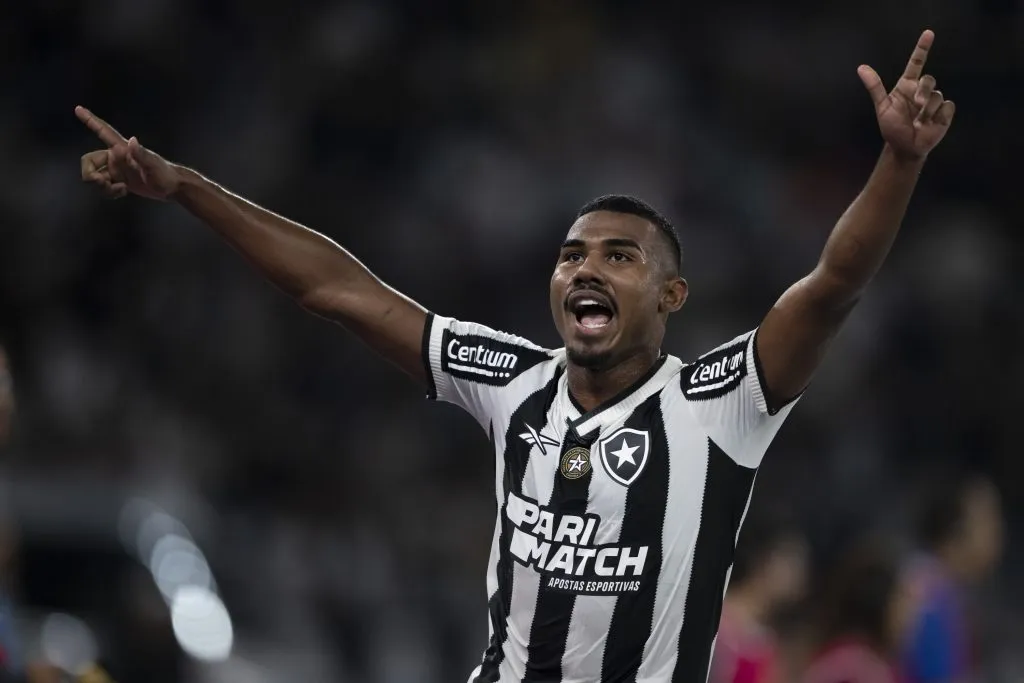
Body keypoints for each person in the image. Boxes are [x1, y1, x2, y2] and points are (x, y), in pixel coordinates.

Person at [75, 29, 955, 683]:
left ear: (672, 296)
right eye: (573, 253)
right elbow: (338, 290)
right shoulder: (513, 380)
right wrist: (187, 188)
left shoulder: (718, 403)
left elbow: (832, 284)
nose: (587, 267)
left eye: (620, 255)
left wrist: (899, 164)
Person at [901, 471, 1003, 683]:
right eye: (988, 522)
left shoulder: (946, 593)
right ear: (955, 530)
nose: (999, 533)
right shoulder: (928, 599)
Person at [709, 514, 808, 683]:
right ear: (765, 560)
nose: (798, 578)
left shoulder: (768, 640)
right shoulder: (718, 613)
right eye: (791, 566)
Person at [800, 536, 912, 683]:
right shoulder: (855, 667)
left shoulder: (872, 661)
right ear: (880, 606)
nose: (910, 616)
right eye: (903, 604)